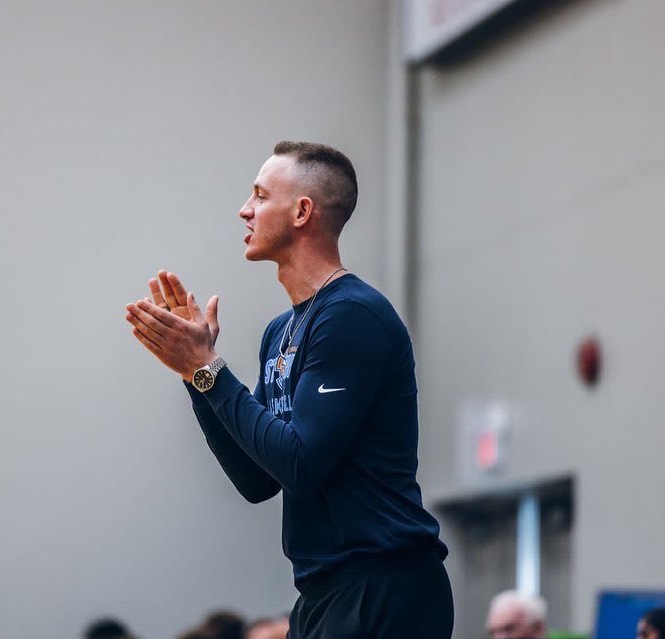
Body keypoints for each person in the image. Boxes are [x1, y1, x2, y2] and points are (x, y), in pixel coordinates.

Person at [124, 141, 452, 638]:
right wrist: (196, 375)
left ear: (302, 212)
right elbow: (260, 480)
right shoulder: (281, 331)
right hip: (323, 590)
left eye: (259, 195)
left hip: (383, 584)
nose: (244, 209)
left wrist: (208, 368)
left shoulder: (351, 315)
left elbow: (300, 462)